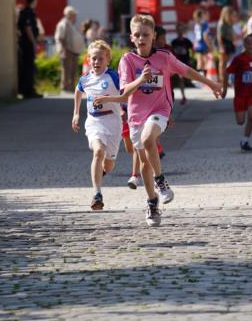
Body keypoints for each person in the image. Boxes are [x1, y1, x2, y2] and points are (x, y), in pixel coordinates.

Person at [95, 14, 221, 226]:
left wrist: (211, 83)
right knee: (145, 163)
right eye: (137, 35)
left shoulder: (164, 57)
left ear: (154, 36)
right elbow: (124, 92)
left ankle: (160, 181)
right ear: (131, 37)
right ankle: (152, 202)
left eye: (146, 34)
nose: (141, 38)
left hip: (160, 110)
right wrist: (140, 79)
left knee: (148, 139)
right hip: (136, 116)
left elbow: (186, 71)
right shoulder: (127, 60)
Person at [72, 40, 131, 211]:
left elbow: (126, 93)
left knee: (109, 165)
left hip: (113, 122)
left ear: (107, 60)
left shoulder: (113, 77)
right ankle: (97, 193)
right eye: (93, 58)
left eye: (100, 59)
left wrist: (124, 109)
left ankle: (100, 172)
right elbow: (78, 91)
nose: (96, 62)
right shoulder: (85, 79)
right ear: (88, 59)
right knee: (98, 151)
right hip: (94, 121)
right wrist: (76, 113)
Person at [221, 32, 252, 153]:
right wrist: (224, 90)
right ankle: (244, 139)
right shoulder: (239, 59)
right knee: (240, 121)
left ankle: (245, 141)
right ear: (245, 45)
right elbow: (226, 72)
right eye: (249, 44)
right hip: (240, 95)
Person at [17, 0, 42, 99]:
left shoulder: (26, 12)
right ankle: (28, 91)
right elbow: (28, 28)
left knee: (28, 67)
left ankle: (27, 90)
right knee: (28, 67)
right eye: (36, 0)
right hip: (27, 44)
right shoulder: (27, 12)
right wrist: (34, 42)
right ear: (33, 1)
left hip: (25, 43)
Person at [55, 5, 84, 93]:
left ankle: (71, 87)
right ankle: (65, 87)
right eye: (74, 14)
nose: (75, 16)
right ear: (69, 14)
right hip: (67, 49)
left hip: (73, 50)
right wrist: (63, 49)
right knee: (67, 69)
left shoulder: (70, 24)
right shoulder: (63, 24)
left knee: (72, 69)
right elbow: (60, 38)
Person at [170, 22, 194, 104]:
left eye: (181, 29)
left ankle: (187, 89)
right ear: (176, 30)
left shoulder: (187, 41)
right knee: (180, 79)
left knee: (185, 78)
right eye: (178, 29)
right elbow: (172, 53)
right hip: (177, 62)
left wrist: (191, 58)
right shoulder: (174, 42)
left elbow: (192, 50)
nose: (179, 31)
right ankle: (183, 96)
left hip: (185, 61)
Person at [216, 6, 236, 85]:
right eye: (231, 13)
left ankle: (225, 80)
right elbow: (219, 37)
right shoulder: (222, 23)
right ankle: (222, 80)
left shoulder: (229, 23)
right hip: (224, 43)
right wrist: (221, 47)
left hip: (229, 43)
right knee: (222, 63)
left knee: (226, 63)